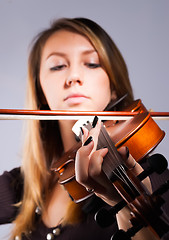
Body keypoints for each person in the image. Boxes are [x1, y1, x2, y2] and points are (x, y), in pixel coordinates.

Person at [0, 17, 169, 240]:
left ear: (114, 88)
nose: (74, 77)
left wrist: (123, 201)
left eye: (91, 63)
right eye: (58, 66)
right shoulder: (28, 182)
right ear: (40, 91)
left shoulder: (150, 174)